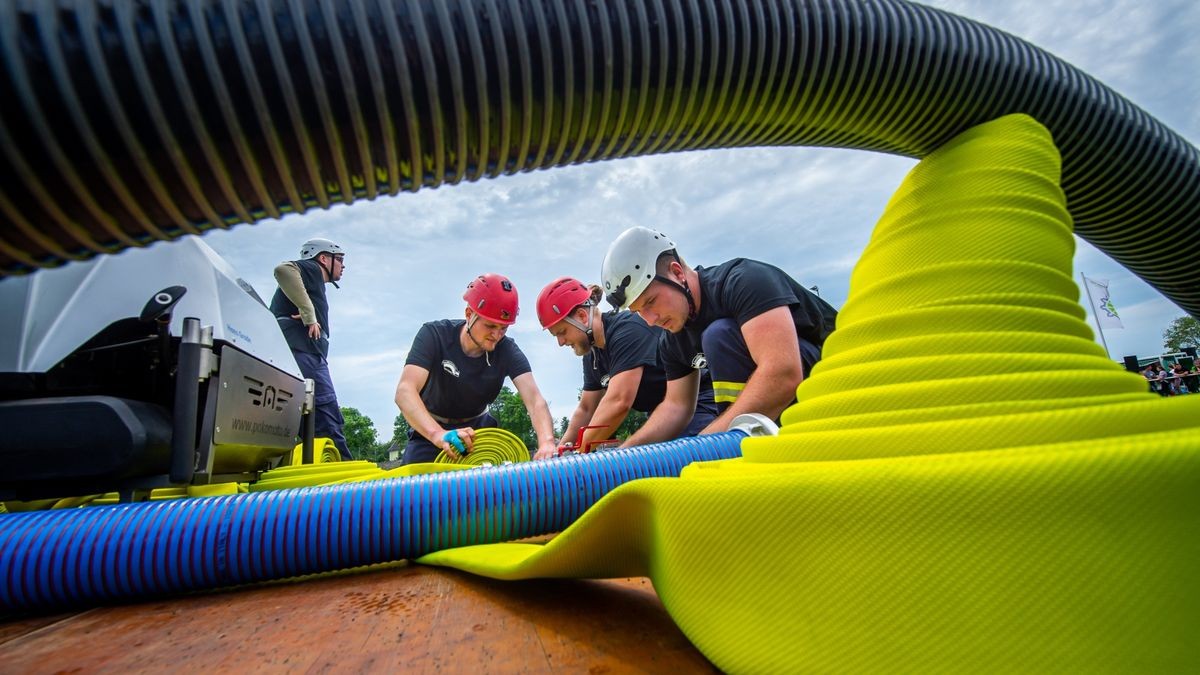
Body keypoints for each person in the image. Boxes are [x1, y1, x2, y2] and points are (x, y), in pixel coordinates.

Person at [601, 226, 838, 446]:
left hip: (840, 377)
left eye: (651, 302)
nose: (650, 319)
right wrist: (626, 453)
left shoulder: (743, 281)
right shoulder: (672, 339)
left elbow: (782, 373)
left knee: (718, 335)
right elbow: (676, 408)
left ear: (677, 272)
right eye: (638, 312)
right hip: (789, 402)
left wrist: (704, 446)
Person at [536, 277, 719, 453]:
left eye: (562, 332)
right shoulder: (592, 356)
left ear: (583, 317)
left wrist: (580, 451)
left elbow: (619, 401)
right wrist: (564, 448)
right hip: (660, 411)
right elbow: (585, 409)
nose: (560, 342)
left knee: (674, 463)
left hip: (698, 400)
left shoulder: (627, 329)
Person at [394, 273, 560, 464]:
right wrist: (438, 434)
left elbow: (535, 400)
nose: (497, 335)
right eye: (490, 325)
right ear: (469, 314)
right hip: (430, 432)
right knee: (415, 491)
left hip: (479, 435)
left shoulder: (507, 349)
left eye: (504, 328)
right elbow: (405, 391)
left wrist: (547, 442)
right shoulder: (434, 335)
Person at [269, 237, 351, 460]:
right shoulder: (313, 269)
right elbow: (283, 269)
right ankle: (346, 480)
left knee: (301, 423)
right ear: (324, 258)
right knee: (326, 419)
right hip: (304, 354)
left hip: (299, 354)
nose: (343, 265)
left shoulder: (312, 280)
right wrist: (308, 314)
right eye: (340, 259)